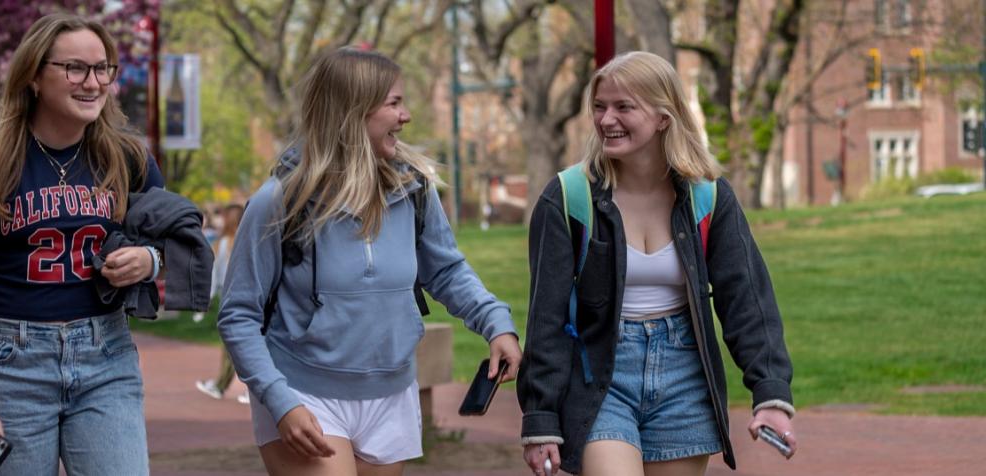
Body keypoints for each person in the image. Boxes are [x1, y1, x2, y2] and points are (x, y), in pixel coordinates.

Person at [218, 47, 522, 476]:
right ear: (352, 112)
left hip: (392, 392)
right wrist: (280, 401)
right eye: (394, 103)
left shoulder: (413, 189)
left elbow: (447, 271)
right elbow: (238, 314)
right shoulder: (280, 201)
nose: (406, 116)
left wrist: (495, 323)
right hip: (303, 391)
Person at [517, 51, 797, 476]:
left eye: (624, 107)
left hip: (684, 376)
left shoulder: (708, 196)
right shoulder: (569, 197)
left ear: (664, 117)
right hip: (600, 378)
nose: (607, 119)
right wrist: (541, 418)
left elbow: (746, 299)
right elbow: (546, 317)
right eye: (599, 106)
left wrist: (770, 392)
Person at [0, 13, 164, 475]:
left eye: (102, 69)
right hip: (8, 366)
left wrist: (148, 260)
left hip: (107, 358)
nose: (93, 83)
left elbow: (172, 246)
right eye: (75, 68)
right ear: (34, 77)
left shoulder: (129, 158)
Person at [196, 203, 250, 404]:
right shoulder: (250, 243)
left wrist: (205, 302)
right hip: (252, 300)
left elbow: (214, 276)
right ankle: (226, 386)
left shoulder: (222, 245)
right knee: (246, 345)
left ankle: (222, 387)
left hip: (230, 301)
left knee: (233, 347)